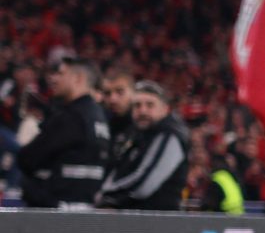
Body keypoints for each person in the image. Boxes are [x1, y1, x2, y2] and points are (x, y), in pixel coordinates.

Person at [17, 57, 111, 209]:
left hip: (58, 211)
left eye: (61, 73)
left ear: (78, 78)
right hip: (82, 207)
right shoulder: (98, 115)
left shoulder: (73, 116)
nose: (54, 79)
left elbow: (27, 159)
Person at [98, 81, 191, 211]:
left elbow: (144, 184)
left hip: (157, 224)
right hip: (137, 222)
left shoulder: (169, 135)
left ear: (165, 109)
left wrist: (107, 195)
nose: (143, 111)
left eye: (150, 105)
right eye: (137, 106)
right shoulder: (137, 135)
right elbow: (118, 171)